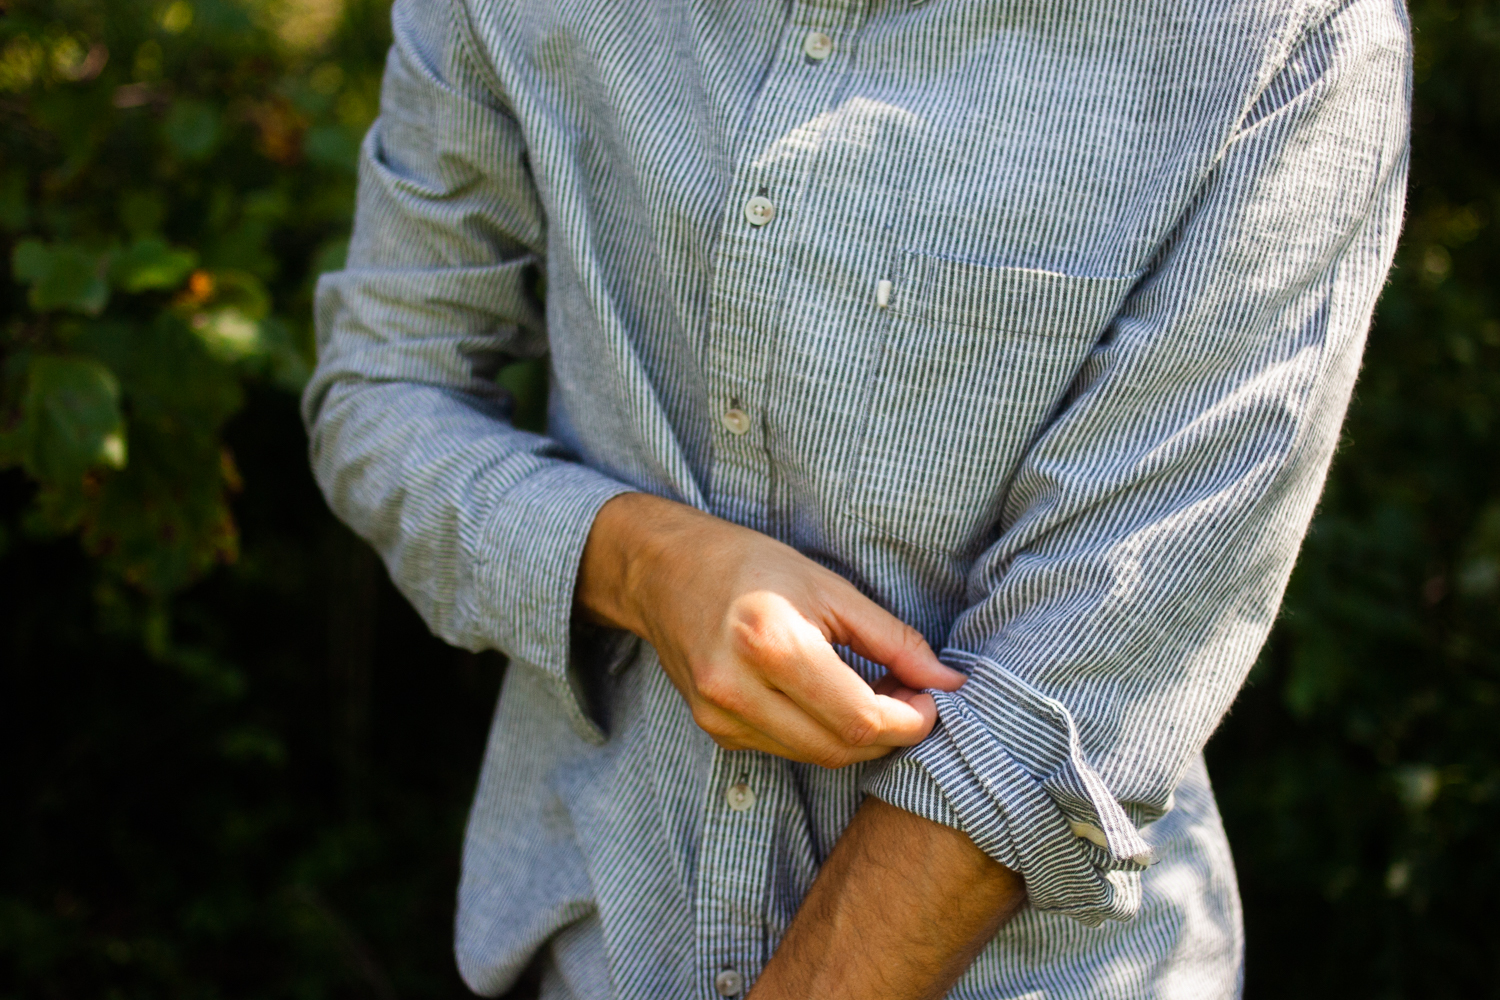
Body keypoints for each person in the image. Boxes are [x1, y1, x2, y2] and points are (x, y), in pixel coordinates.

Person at [303, 0, 1411, 996]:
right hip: (601, 946)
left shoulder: (1288, 37)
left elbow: (1082, 669)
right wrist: (641, 565)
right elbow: (384, 386)